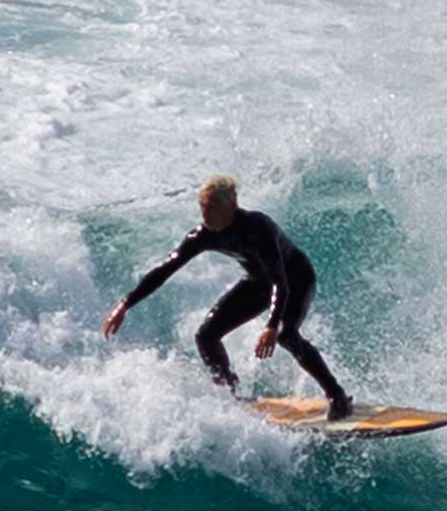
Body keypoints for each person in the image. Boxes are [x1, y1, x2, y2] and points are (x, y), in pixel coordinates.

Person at [102, 176, 353, 419]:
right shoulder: (204, 234)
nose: (205, 216)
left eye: (212, 208)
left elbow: (280, 282)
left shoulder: (259, 228)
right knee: (206, 336)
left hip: (295, 279)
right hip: (259, 283)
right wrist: (125, 304)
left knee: (287, 335)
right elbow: (165, 270)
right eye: (202, 209)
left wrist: (271, 326)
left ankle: (337, 396)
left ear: (231, 205)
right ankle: (231, 395)